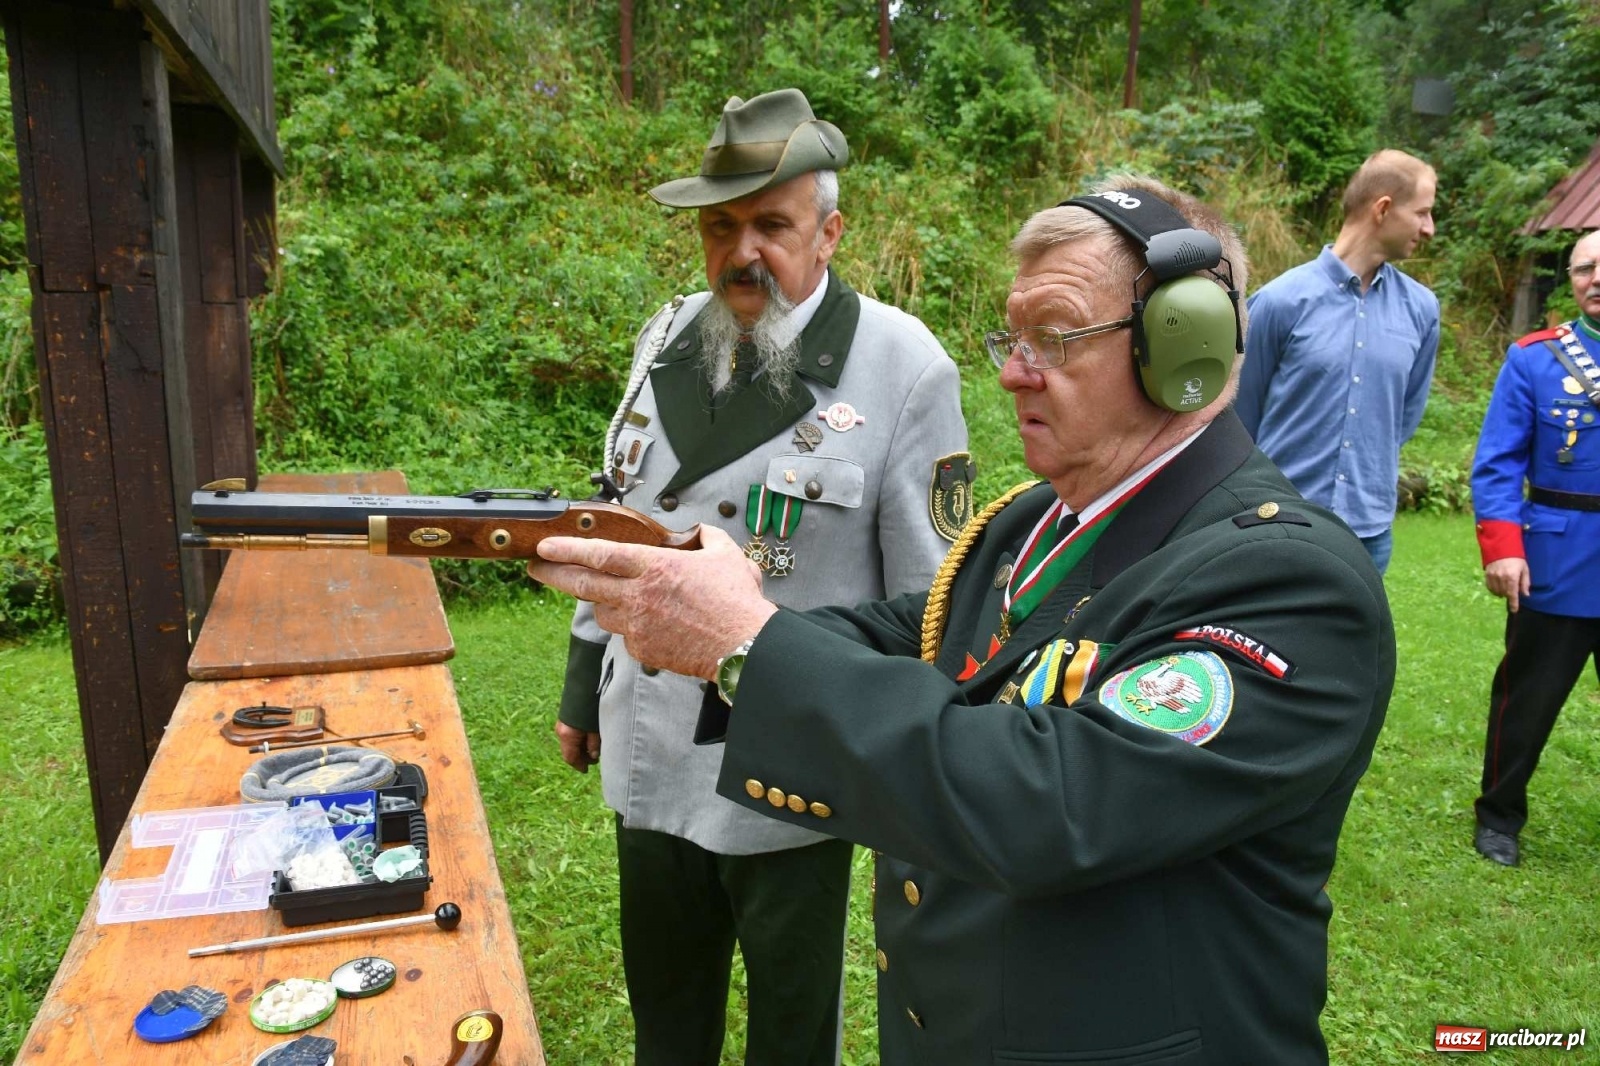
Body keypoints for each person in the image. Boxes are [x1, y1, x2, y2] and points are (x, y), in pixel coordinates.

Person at [533, 176, 1394, 1064]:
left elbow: (1047, 801)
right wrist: (704, 609)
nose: (1014, 369)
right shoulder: (1032, 523)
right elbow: (902, 634)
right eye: (1013, 337)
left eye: (1054, 336)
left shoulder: (1288, 581)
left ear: (1186, 347)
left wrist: (747, 644)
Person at [553, 88, 970, 1065]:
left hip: (786, 770)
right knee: (667, 1018)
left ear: (829, 233)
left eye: (772, 225)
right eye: (720, 226)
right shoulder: (665, 335)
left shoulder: (902, 366)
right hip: (647, 744)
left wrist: (900, 757)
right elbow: (619, 520)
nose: (743, 253)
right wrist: (583, 687)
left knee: (791, 1038)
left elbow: (932, 607)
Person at [1236, 148, 1441, 573]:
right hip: (1279, 526)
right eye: (1422, 213)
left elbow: (1403, 418)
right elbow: (1241, 419)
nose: (1429, 229)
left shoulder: (1422, 310)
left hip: (1369, 536)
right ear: (1383, 208)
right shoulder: (1279, 302)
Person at [1467, 229, 1600, 868]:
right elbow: (1497, 464)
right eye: (1585, 268)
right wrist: (1502, 547)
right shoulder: (1536, 359)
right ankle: (1499, 816)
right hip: (1557, 560)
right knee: (1528, 699)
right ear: (1570, 280)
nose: (1596, 277)